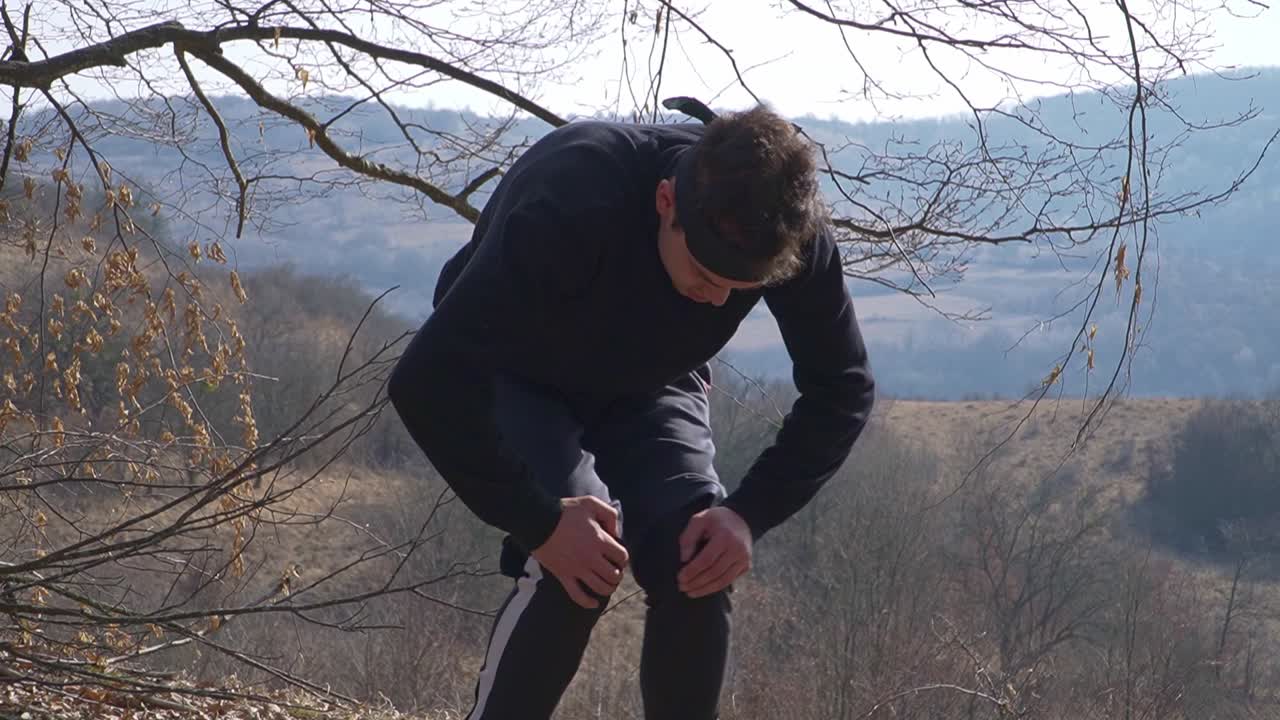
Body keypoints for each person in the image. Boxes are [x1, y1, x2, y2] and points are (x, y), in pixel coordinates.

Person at [386, 102, 875, 720]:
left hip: (653, 381)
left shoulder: (784, 228)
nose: (716, 297)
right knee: (579, 564)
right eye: (703, 271)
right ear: (666, 202)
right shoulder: (573, 192)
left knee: (696, 561)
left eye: (739, 290)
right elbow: (424, 380)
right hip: (521, 370)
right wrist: (540, 522)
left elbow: (844, 387)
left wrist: (747, 516)